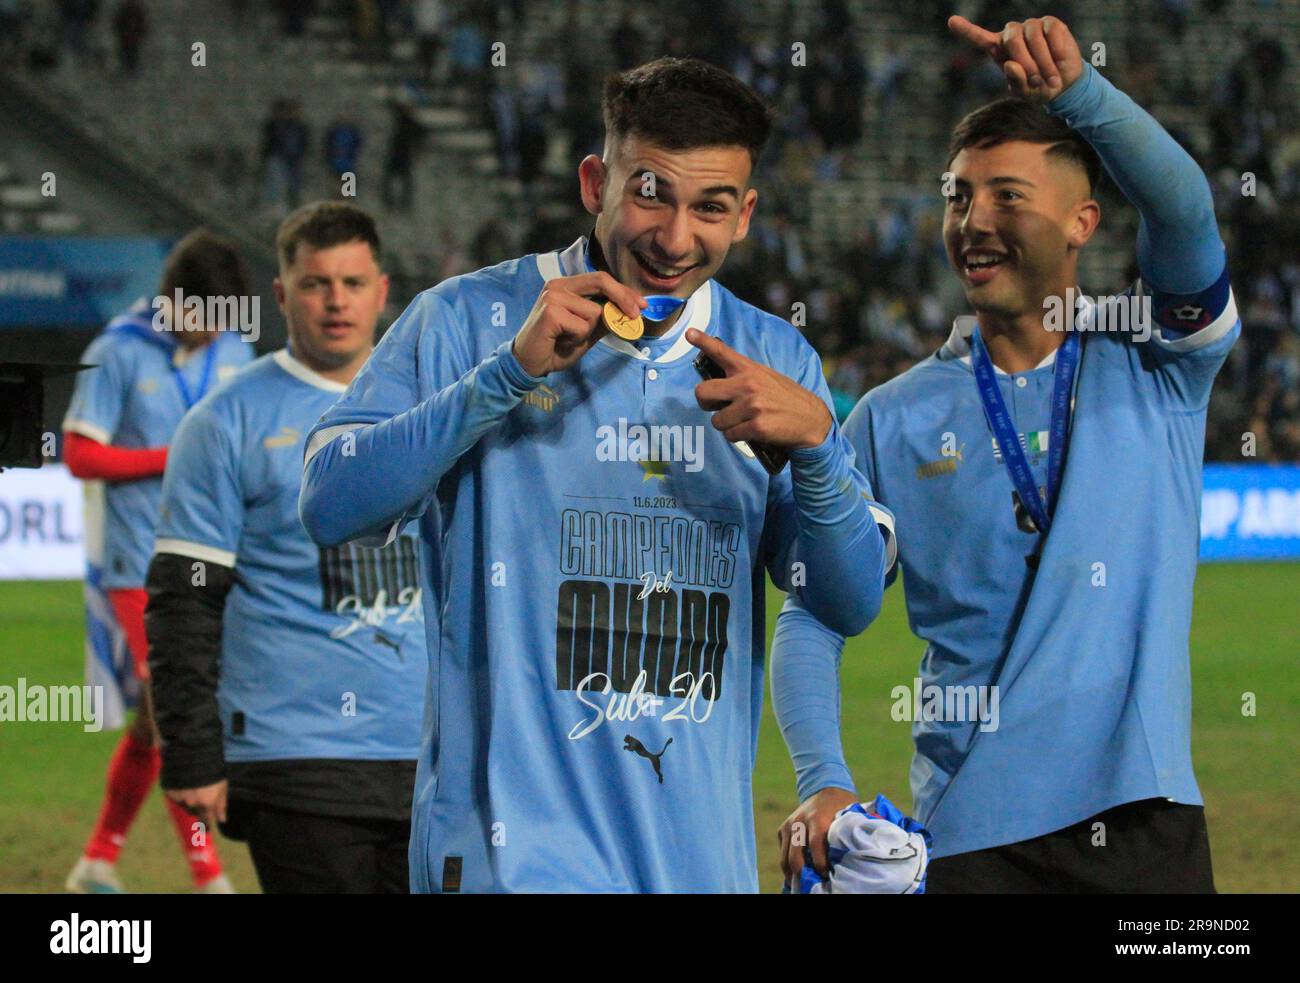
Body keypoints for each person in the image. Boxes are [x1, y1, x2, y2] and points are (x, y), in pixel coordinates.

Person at [299, 57, 895, 893]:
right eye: (650, 191)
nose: (675, 237)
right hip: (511, 864)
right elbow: (329, 502)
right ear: (595, 181)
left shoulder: (774, 358)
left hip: (699, 866)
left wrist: (820, 449)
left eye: (711, 208)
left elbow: (848, 601)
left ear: (745, 214)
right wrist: (502, 379)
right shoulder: (466, 320)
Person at [773, 13, 1237, 893]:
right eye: (958, 196)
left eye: (1008, 196)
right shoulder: (888, 417)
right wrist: (821, 779)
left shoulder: (1158, 362)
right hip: (968, 839)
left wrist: (1079, 95)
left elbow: (1184, 207)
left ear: (1082, 221)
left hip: (1146, 827)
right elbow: (814, 613)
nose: (974, 219)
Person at [143, 203, 426, 894]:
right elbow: (183, 600)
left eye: (353, 283)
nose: (336, 302)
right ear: (279, 294)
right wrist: (191, 752)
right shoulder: (224, 420)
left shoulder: (435, 406)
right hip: (296, 759)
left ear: (382, 291)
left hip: (433, 756)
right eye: (315, 283)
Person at [63, 229, 254, 894]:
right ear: (176, 300)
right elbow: (80, 453)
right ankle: (209, 876)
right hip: (135, 566)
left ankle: (96, 858)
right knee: (179, 713)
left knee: (154, 722)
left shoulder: (235, 348)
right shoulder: (117, 350)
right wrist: (170, 459)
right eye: (207, 317)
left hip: (213, 561)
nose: (215, 334)